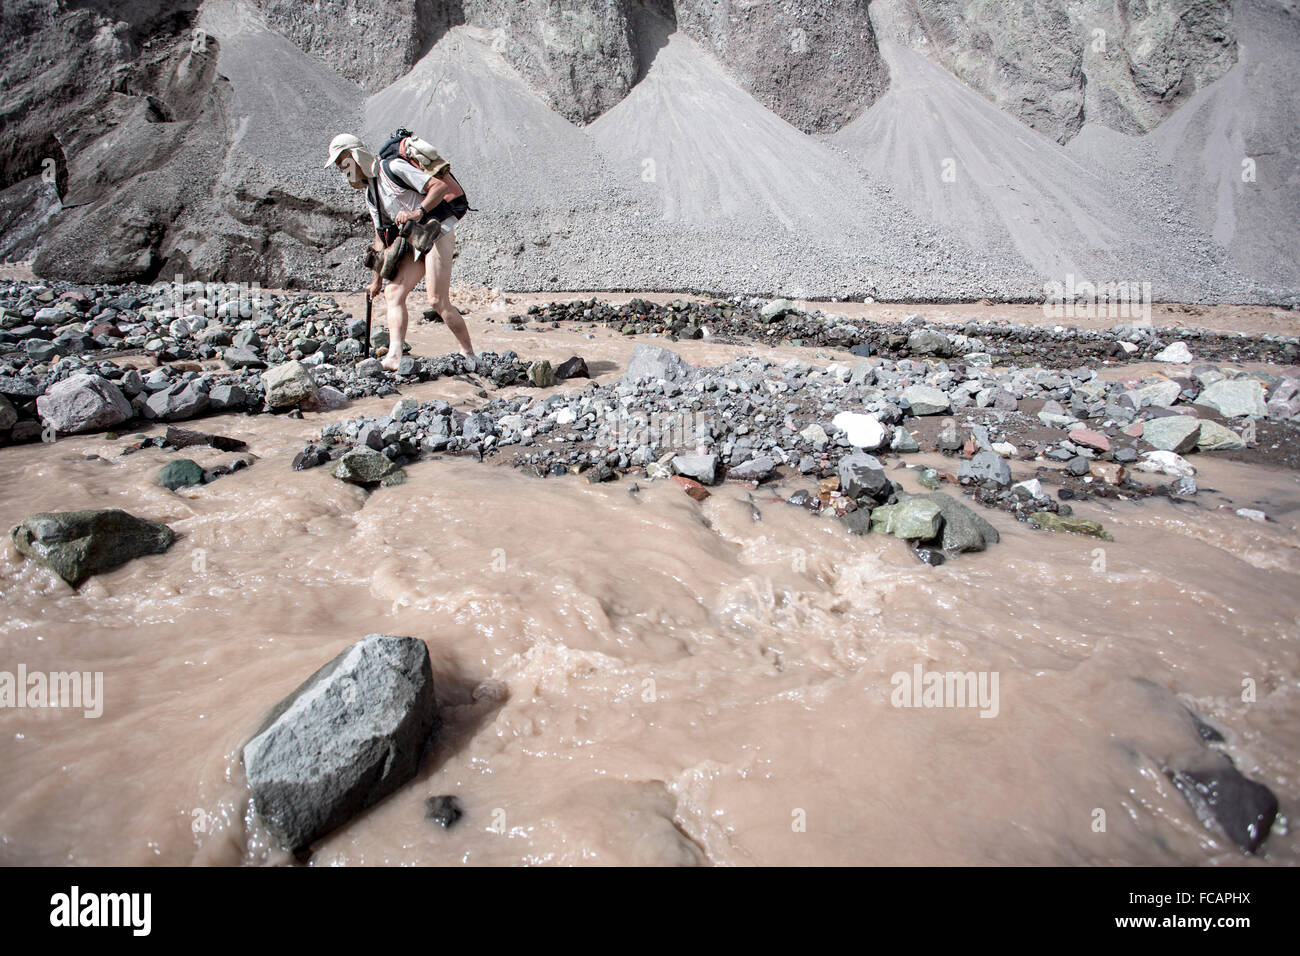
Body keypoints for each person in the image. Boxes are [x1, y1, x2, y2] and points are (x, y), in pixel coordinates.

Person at [324, 132, 476, 371]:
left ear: (355, 156)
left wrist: (417, 212)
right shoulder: (371, 193)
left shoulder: (392, 168)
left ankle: (468, 353)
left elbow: (438, 187)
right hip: (416, 239)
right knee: (393, 293)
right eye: (339, 165)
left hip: (437, 231)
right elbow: (380, 237)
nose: (343, 169)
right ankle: (394, 355)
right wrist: (375, 281)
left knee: (436, 299)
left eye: (344, 160)